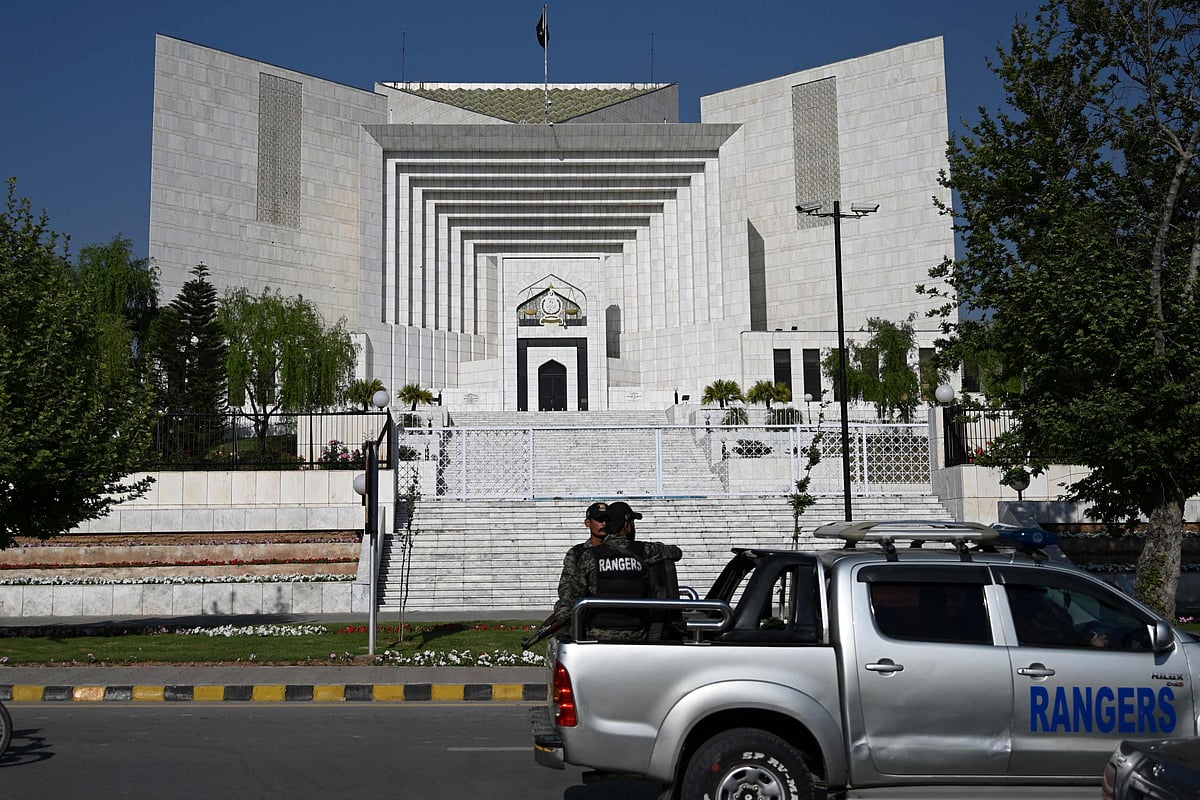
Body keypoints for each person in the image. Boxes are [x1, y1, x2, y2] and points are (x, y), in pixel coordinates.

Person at [560, 501, 684, 640]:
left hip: (596, 634)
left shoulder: (589, 556)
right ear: (627, 525)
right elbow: (675, 552)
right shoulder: (644, 551)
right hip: (636, 634)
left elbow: (571, 596)